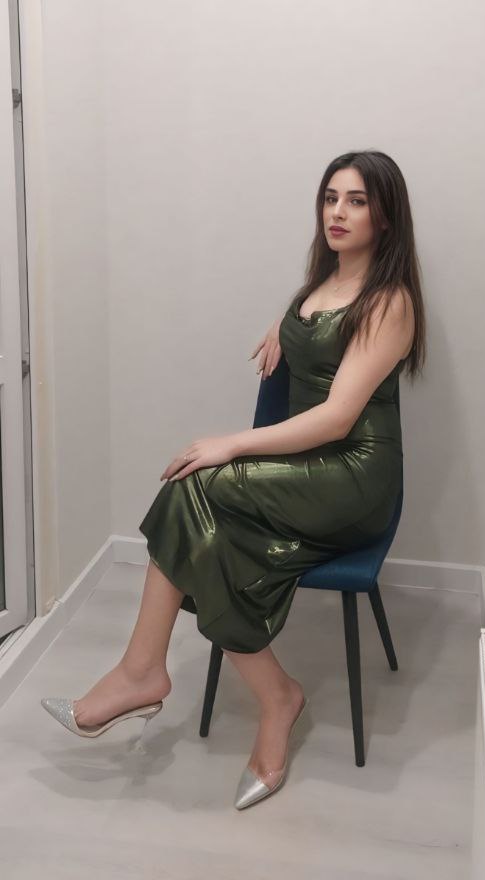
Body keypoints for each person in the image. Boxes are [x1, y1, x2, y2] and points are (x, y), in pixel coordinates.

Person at [41, 149, 426, 808]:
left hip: (354, 475)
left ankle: (153, 675)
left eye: (357, 201)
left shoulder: (389, 302)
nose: (337, 212)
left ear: (385, 217)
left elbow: (337, 418)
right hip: (308, 470)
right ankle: (253, 693)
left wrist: (232, 443)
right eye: (331, 197)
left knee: (195, 482)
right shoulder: (318, 288)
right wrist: (286, 326)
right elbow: (317, 327)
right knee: (203, 521)